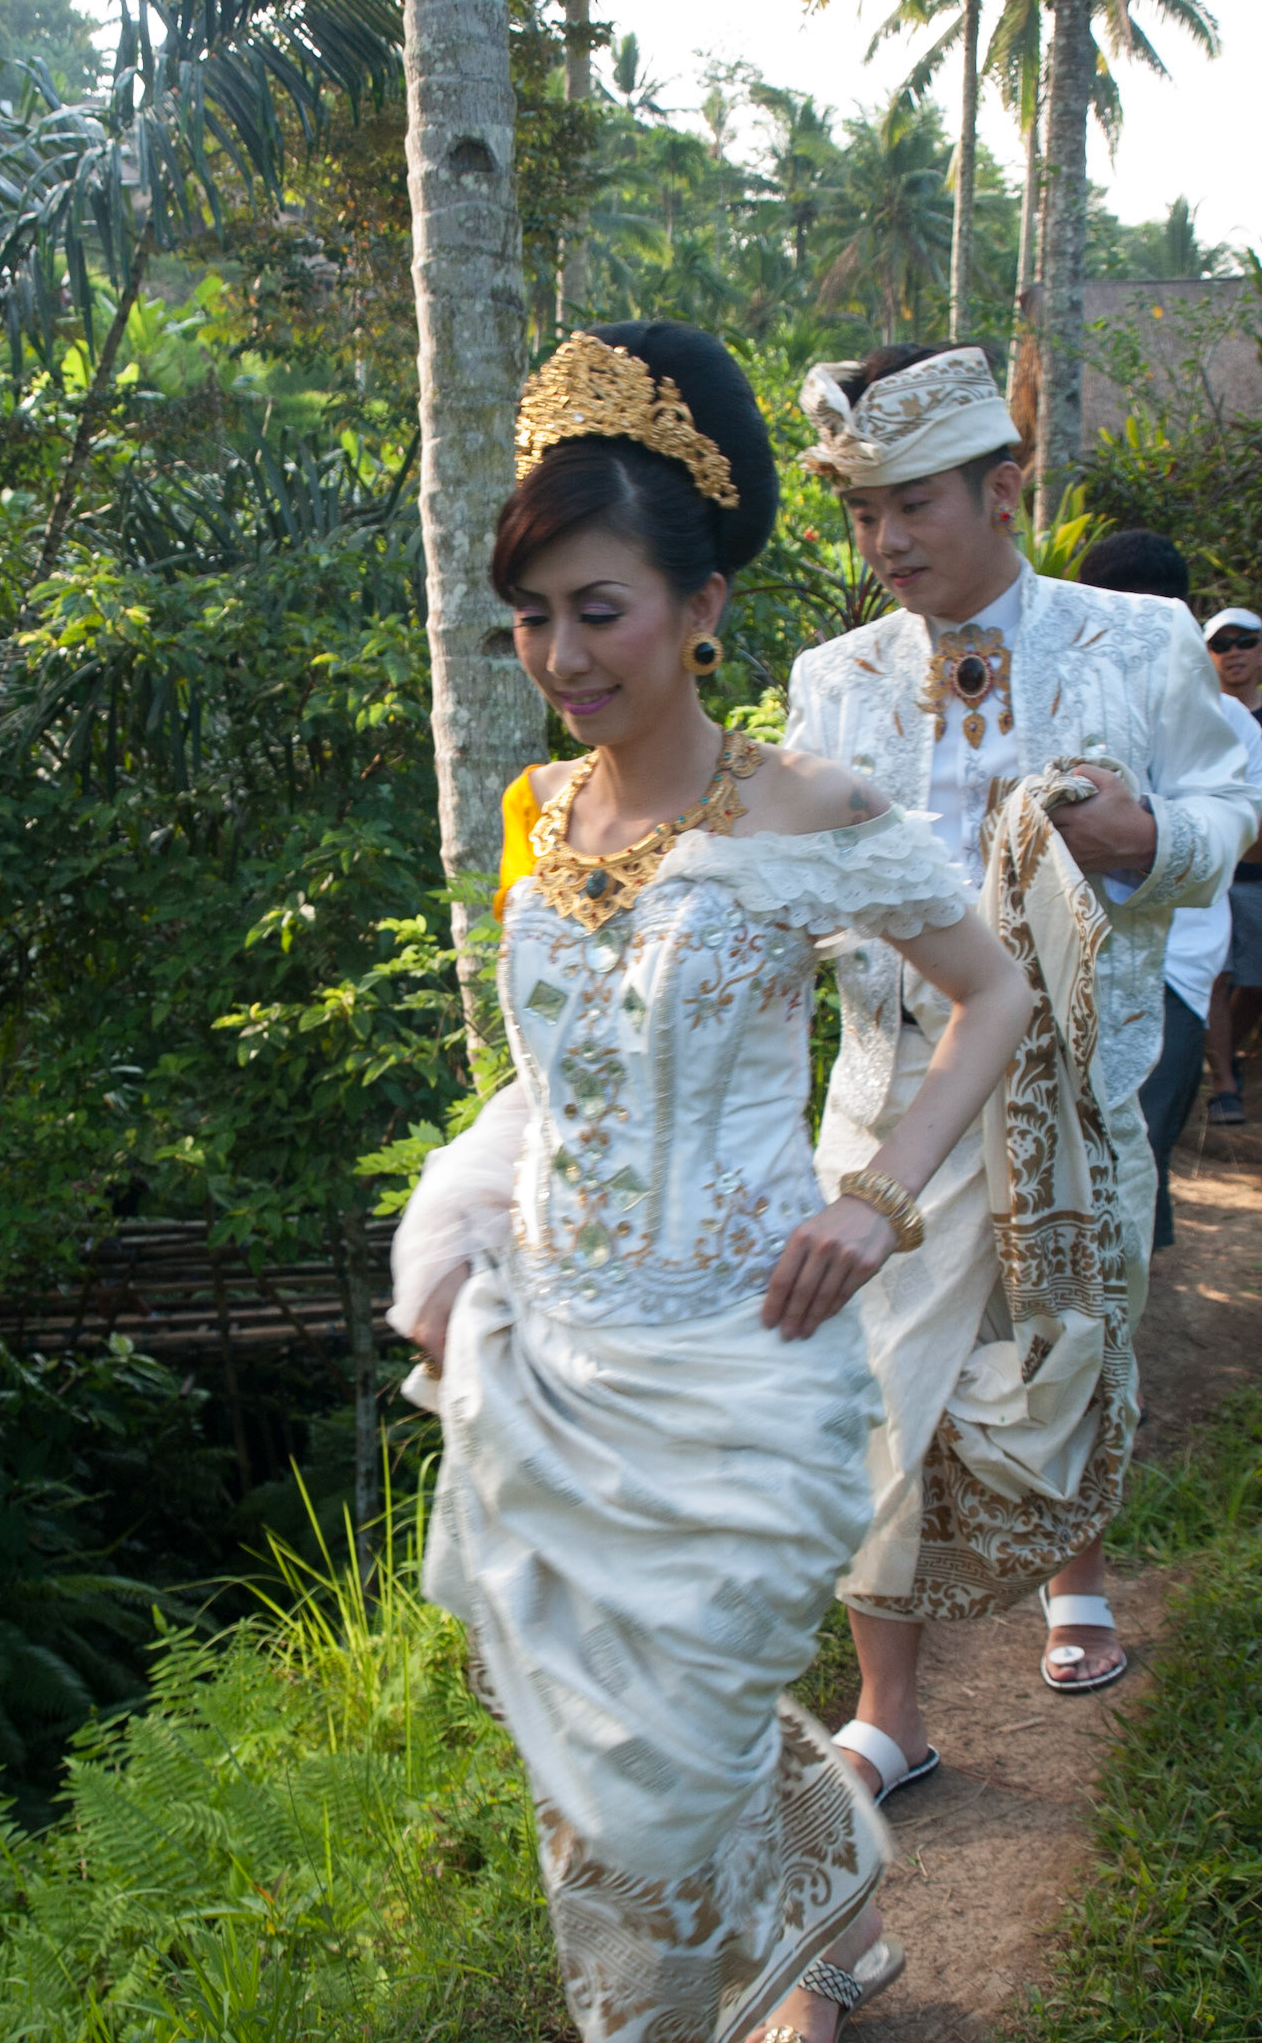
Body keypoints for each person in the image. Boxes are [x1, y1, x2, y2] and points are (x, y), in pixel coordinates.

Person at [388, 323, 1033, 2043]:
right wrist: (457, 1237)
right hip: (557, 1357)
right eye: (532, 615)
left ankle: (729, 1984)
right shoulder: (536, 812)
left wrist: (876, 1198)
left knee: (678, 1721)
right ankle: (804, 1895)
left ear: (698, 604)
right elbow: (549, 1077)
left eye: (596, 608)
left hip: (748, 1348)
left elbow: (996, 990)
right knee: (587, 1744)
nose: (560, 653)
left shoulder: (807, 808)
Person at [785, 345, 1259, 1800]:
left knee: (1068, 1340)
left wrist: (1147, 845)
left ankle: (1076, 1569)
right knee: (869, 1389)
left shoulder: (1141, 636)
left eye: (912, 504)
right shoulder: (831, 676)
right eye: (863, 515)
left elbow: (1229, 797)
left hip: (1079, 1080)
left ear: (1003, 487)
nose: (887, 544)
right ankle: (892, 1711)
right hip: (889, 1097)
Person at [1078, 539, 1262, 1243]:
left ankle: (1116, 1335)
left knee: (1134, 1157)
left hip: (1171, 972)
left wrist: (1139, 835)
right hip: (1069, 969)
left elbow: (1237, 829)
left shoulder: (1231, 723)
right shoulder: (1060, 700)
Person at [1201, 606, 1262, 1125]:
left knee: (1254, 983)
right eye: (1221, 644)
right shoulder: (1201, 718)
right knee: (1215, 977)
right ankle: (1223, 1085)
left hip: (1259, 874)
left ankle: (1227, 1059)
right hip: (1217, 872)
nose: (1234, 652)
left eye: (1245, 640)